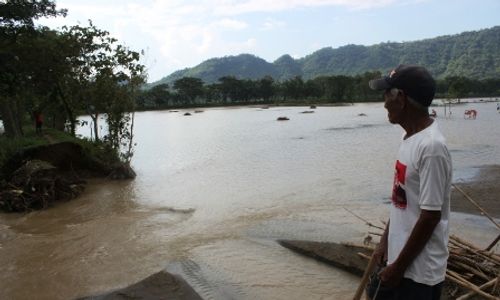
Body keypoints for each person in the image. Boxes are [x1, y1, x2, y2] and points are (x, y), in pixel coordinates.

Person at [366, 65, 452, 300]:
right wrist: (384, 243)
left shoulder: (432, 147)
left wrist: (399, 267)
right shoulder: (409, 138)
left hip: (419, 274)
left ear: (401, 98)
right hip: (399, 263)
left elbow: (430, 216)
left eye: (387, 95)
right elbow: (399, 199)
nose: (384, 103)